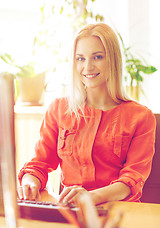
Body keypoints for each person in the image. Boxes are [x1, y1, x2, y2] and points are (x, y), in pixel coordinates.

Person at [17, 23, 156, 205]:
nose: (87, 67)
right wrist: (30, 182)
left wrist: (91, 198)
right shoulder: (58, 109)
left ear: (113, 60)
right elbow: (39, 164)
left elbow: (131, 181)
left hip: (119, 215)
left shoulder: (141, 117)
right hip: (71, 213)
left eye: (97, 57)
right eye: (80, 59)